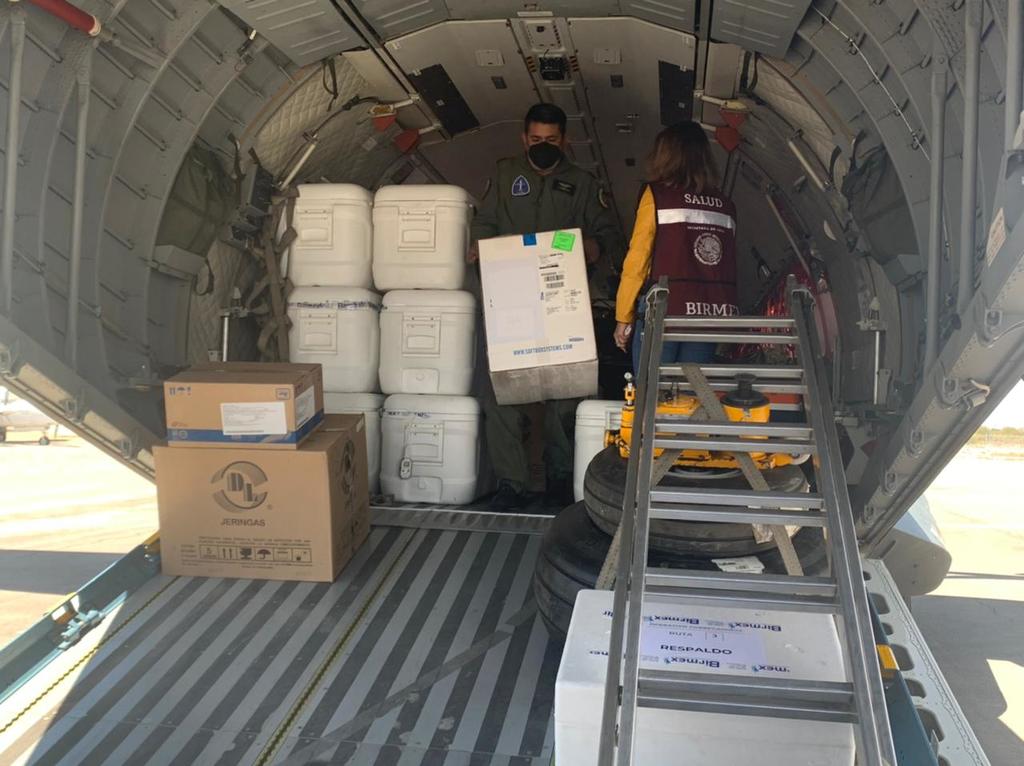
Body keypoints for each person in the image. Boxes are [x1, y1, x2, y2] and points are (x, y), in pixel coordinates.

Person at [470, 103, 624, 511]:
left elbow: (609, 233)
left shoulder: (583, 183)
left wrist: (594, 246)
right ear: (524, 139)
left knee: (565, 396)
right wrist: (479, 250)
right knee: (503, 393)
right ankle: (512, 483)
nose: (543, 146)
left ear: (564, 141)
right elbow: (483, 223)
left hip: (561, 305)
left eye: (551, 140)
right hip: (512, 302)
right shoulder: (505, 175)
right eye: (536, 139)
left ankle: (559, 480)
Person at [613, 121, 739, 371]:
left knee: (652, 387)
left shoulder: (657, 195)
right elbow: (727, 266)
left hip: (663, 310)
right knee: (693, 389)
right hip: (708, 314)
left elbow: (638, 258)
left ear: (664, 155)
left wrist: (623, 316)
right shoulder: (726, 204)